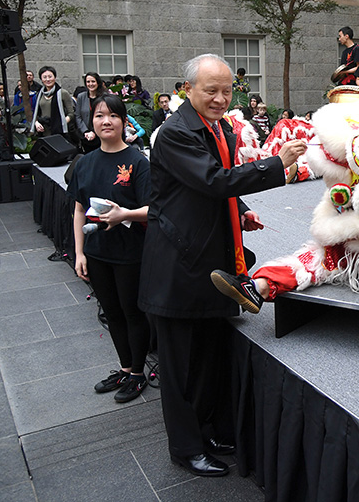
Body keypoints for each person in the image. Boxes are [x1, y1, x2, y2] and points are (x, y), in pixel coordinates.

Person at [139, 54, 306, 478]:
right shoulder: (176, 132)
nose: (219, 98)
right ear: (187, 90)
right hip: (180, 266)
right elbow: (212, 180)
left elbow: (210, 183)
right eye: (210, 90)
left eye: (226, 90)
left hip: (208, 259)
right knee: (180, 367)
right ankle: (186, 447)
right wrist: (276, 164)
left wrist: (241, 209)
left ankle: (209, 431)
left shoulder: (217, 126)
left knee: (210, 357)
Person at [69, 94, 152, 404]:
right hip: (97, 251)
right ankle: (125, 367)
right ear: (93, 121)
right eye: (100, 116)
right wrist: (79, 253)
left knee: (132, 313)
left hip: (130, 252)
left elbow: (153, 209)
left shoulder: (137, 161)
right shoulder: (85, 163)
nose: (106, 121)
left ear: (123, 121)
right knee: (112, 313)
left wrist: (125, 215)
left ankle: (138, 373)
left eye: (113, 116)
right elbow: (78, 210)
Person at [29, 66, 77, 144]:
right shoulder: (39, 94)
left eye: (50, 76)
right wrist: (36, 123)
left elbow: (71, 113)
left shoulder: (63, 93)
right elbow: (36, 113)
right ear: (41, 79)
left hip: (59, 131)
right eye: (44, 77)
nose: (48, 79)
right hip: (44, 131)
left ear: (55, 77)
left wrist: (62, 122)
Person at [74, 72, 107, 153]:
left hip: (101, 135)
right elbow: (77, 116)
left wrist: (94, 132)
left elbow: (105, 116)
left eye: (93, 81)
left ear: (98, 82)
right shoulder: (81, 96)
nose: (90, 84)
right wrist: (85, 131)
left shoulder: (104, 97)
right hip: (86, 136)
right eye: (88, 82)